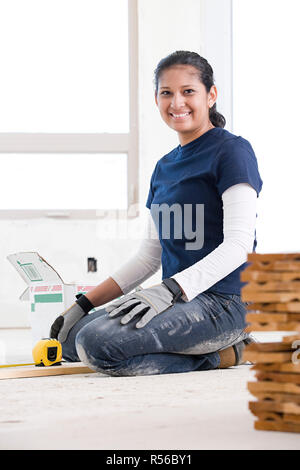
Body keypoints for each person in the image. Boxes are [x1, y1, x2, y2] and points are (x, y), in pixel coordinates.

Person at [50, 51, 263, 376]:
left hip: (226, 303)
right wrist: (84, 304)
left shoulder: (232, 151)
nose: (177, 102)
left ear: (211, 95)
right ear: (157, 99)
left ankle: (229, 353)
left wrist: (169, 290)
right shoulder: (164, 167)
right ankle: (214, 349)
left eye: (188, 91)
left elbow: (239, 244)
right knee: (71, 338)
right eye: (167, 93)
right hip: (176, 301)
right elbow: (149, 258)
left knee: (96, 344)